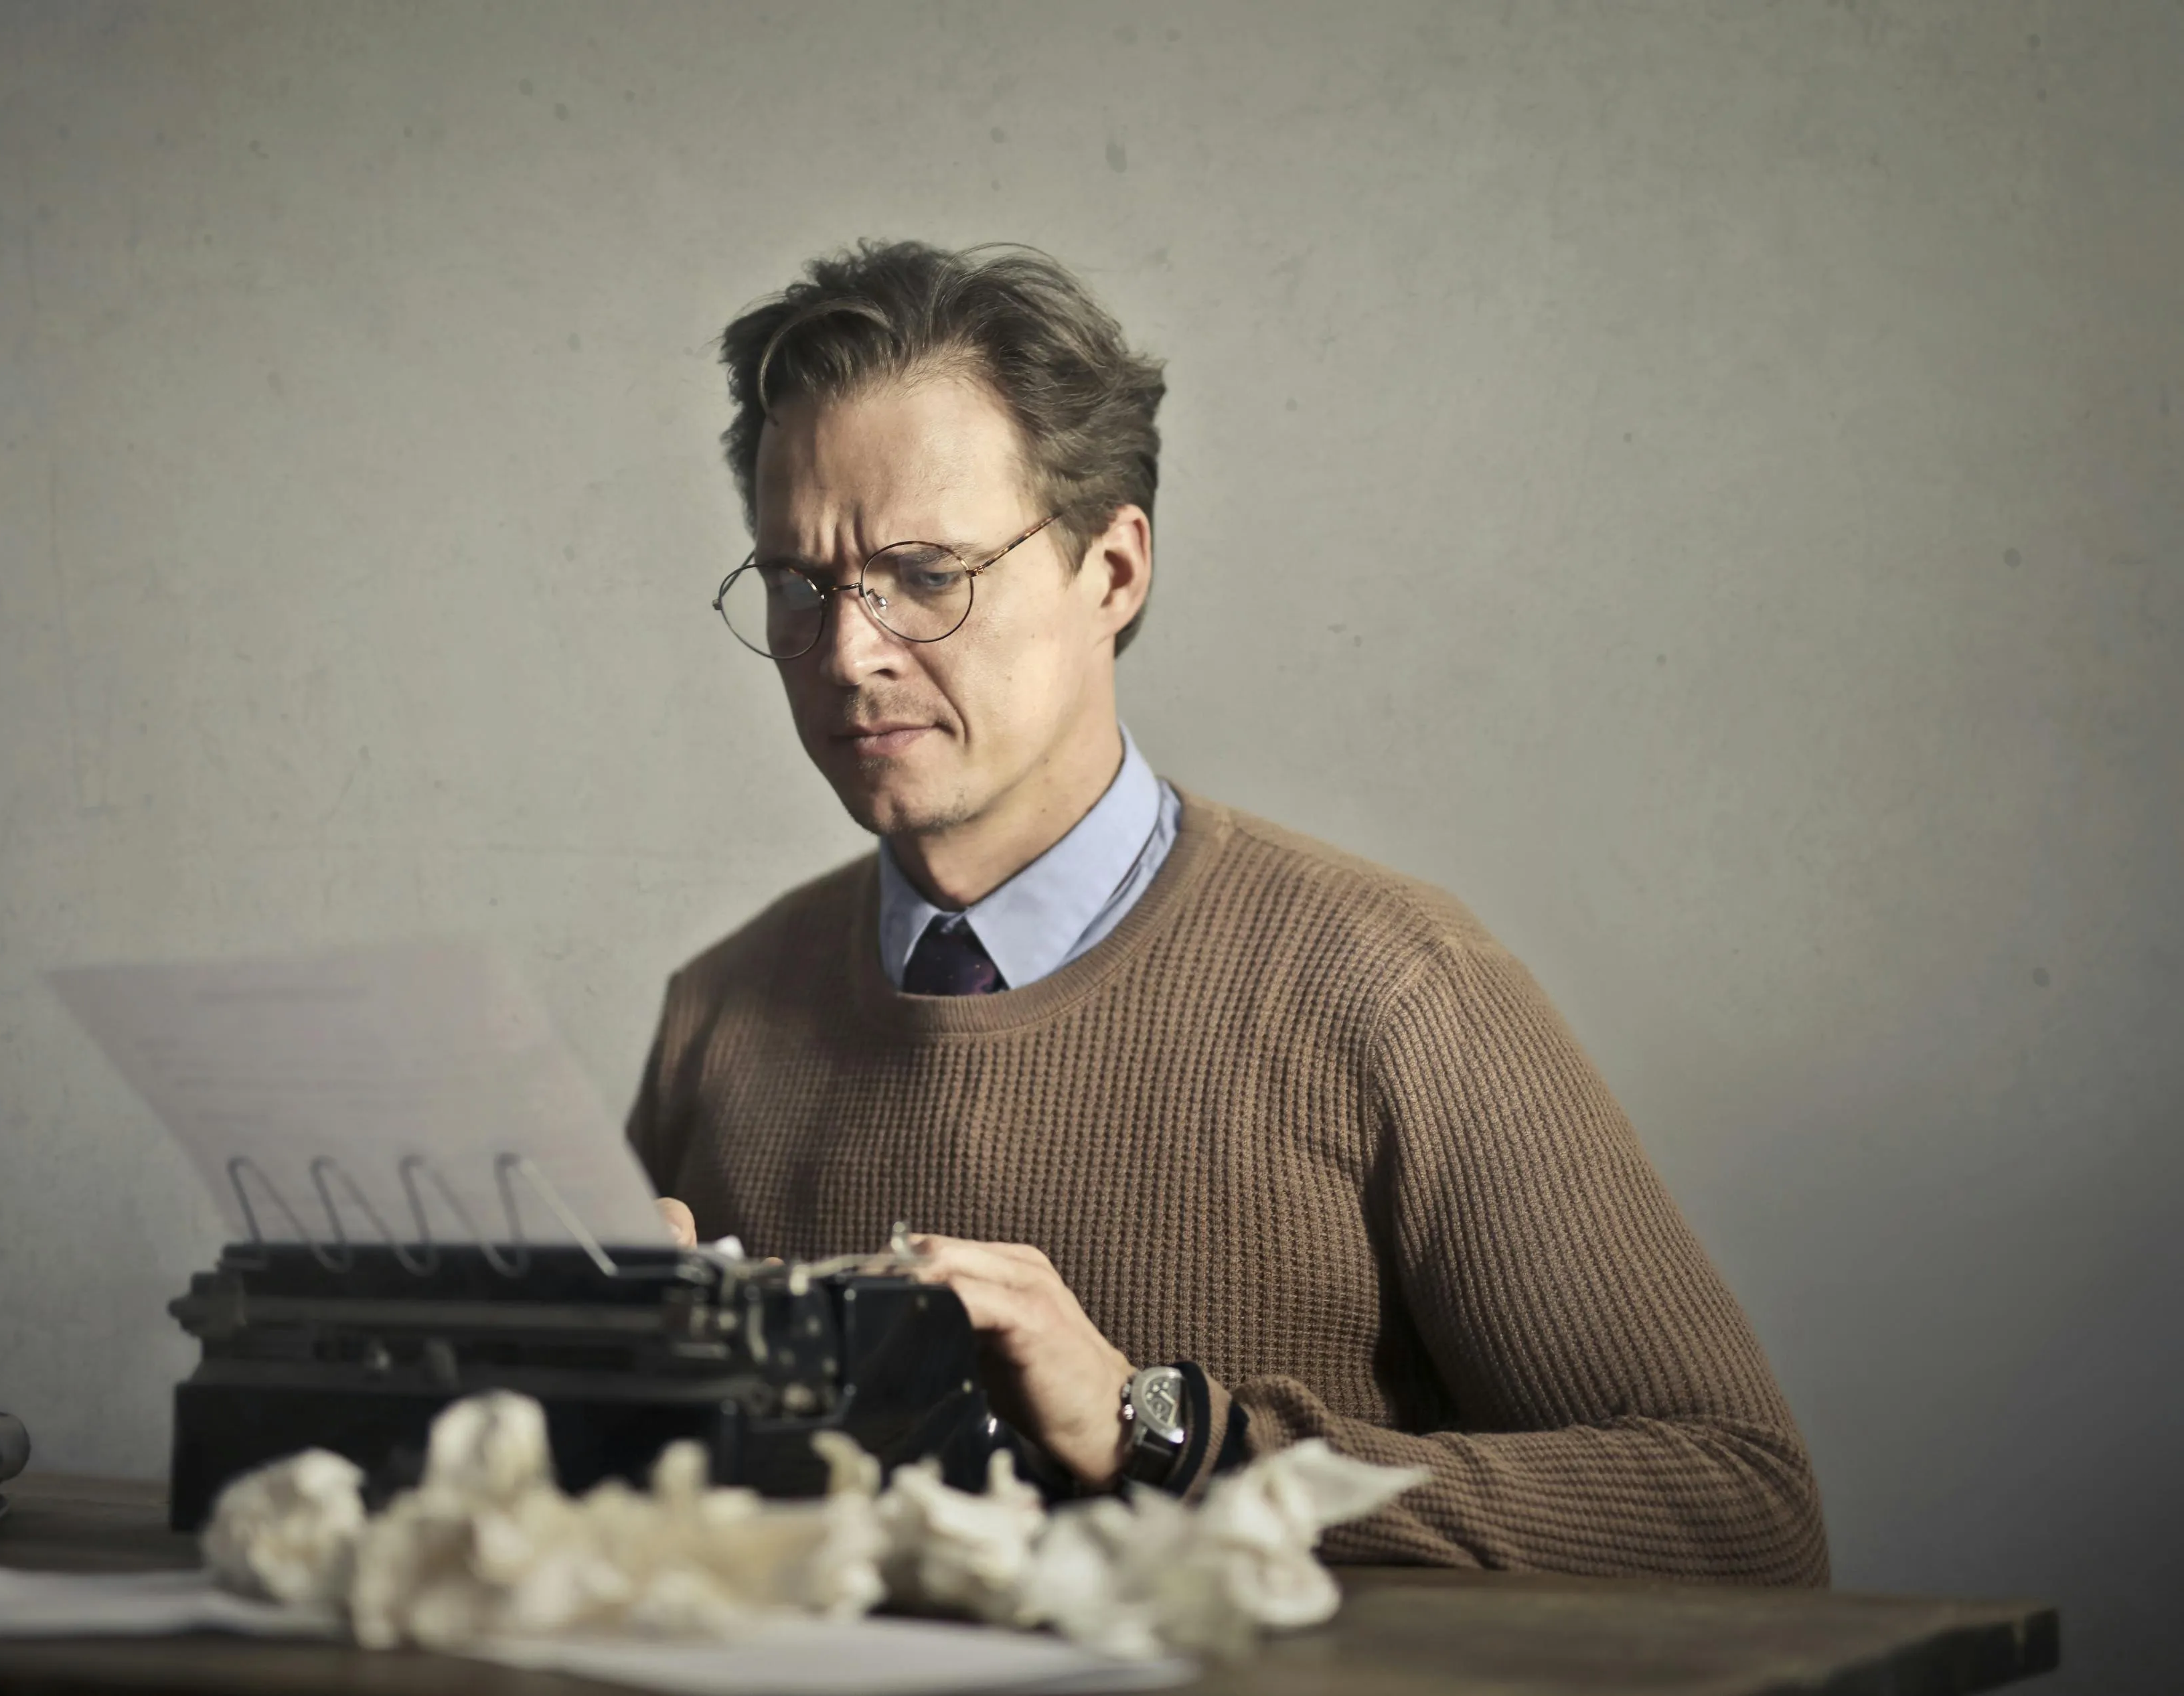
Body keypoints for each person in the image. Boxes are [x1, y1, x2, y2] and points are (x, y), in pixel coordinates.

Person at [628, 240, 1829, 1584]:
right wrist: (576, 1400)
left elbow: (1742, 1512)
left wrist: (1176, 1435)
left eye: (926, 573)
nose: (849, 653)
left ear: (1114, 571)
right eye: (802, 584)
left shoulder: (1391, 986)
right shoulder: (717, 1018)